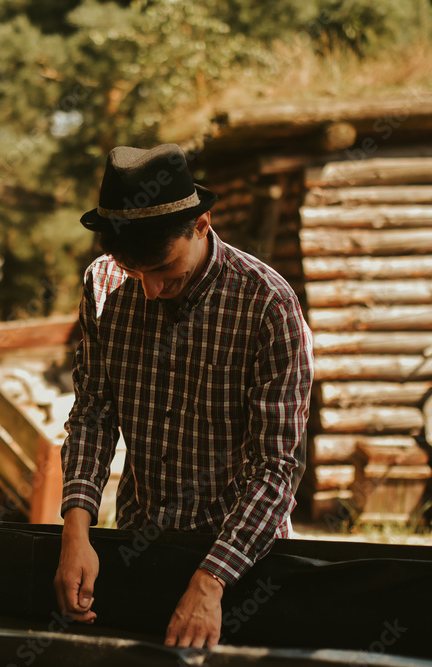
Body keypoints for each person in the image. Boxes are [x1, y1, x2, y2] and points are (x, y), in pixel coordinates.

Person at [53, 143, 314, 649]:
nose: (149, 291)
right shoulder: (103, 285)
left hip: (242, 561)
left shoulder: (268, 306)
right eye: (135, 273)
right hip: (136, 541)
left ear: (202, 224)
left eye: (165, 271)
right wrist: (76, 531)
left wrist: (211, 580)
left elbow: (276, 467)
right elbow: (93, 414)